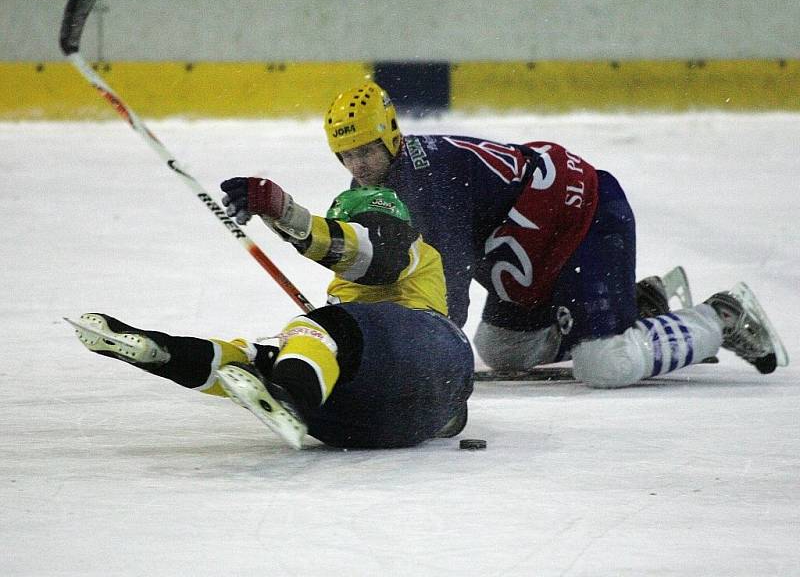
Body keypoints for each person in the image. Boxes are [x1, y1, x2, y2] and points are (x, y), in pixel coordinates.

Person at [319, 81, 788, 388]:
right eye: (346, 156)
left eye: (366, 151)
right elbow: (385, 268)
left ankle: (722, 316)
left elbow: (449, 296)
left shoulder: (431, 186)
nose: (358, 168)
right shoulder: (385, 183)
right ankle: (639, 306)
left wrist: (402, 357)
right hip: (531, 249)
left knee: (604, 365)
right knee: (503, 351)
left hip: (585, 219)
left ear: (391, 136)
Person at [69, 185, 474, 449]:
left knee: (312, 334)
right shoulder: (346, 300)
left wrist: (285, 213)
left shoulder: (409, 249)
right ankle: (165, 352)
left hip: (424, 359)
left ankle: (292, 398)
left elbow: (368, 252)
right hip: (380, 424)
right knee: (267, 361)